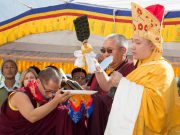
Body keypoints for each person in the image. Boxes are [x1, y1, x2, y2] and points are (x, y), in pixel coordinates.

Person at [95, 3, 180, 135]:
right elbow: (109, 88)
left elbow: (160, 110)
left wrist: (123, 83)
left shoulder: (162, 68)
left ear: (153, 45)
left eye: (138, 42)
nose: (132, 47)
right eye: (132, 41)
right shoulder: (140, 67)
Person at [0, 67, 87, 135]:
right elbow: (32, 116)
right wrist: (55, 101)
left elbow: (58, 114)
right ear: (38, 82)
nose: (50, 95)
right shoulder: (20, 95)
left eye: (54, 92)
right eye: (48, 91)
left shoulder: (47, 97)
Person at [87, 34, 135, 135]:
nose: (105, 54)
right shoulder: (102, 68)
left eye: (110, 50)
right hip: (93, 119)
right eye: (103, 51)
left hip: (115, 124)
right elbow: (90, 88)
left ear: (123, 50)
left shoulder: (132, 69)